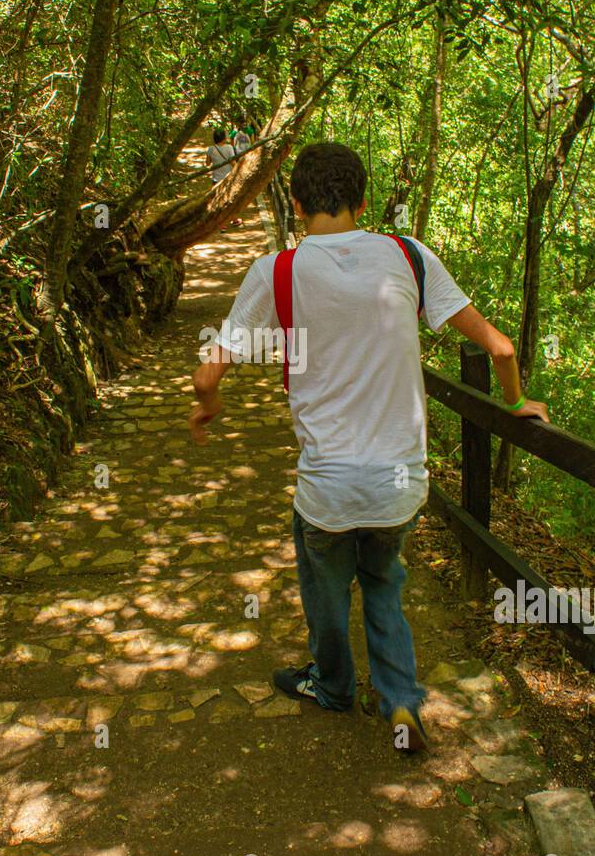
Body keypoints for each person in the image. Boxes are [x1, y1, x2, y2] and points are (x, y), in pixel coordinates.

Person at [188, 141, 549, 753]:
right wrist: (516, 404)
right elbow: (503, 350)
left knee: (325, 592)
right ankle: (402, 702)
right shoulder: (408, 257)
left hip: (326, 487)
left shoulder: (276, 272)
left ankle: (332, 686)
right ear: (363, 202)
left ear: (297, 203)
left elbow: (208, 371)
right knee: (383, 585)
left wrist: (210, 405)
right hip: (398, 484)